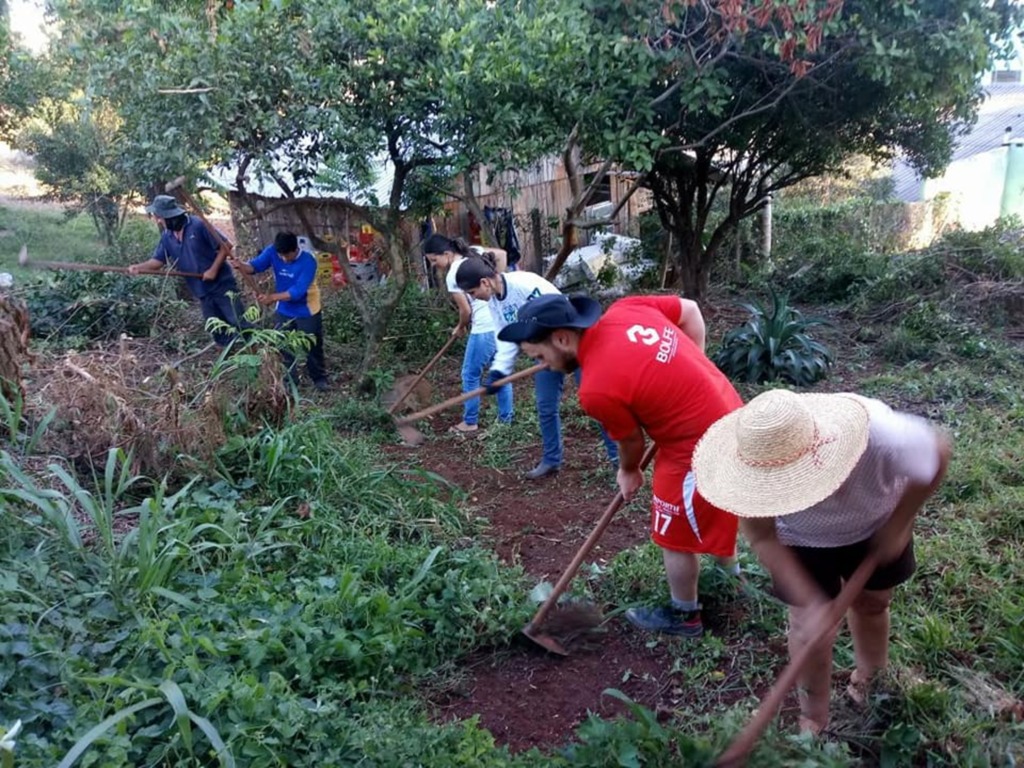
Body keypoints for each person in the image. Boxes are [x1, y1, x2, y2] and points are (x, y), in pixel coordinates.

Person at [692, 388, 951, 733]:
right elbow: (763, 537)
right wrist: (811, 604)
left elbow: (937, 453)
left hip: (875, 523)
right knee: (806, 629)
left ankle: (869, 679)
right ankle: (814, 715)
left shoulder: (880, 437)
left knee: (873, 602)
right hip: (800, 540)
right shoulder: (745, 476)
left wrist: (899, 524)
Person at [498, 292, 742, 637]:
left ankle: (684, 617)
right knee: (718, 505)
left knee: (672, 532)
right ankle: (733, 584)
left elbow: (630, 442)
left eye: (540, 356)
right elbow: (691, 310)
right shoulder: (628, 309)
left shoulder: (596, 387)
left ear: (563, 338)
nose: (542, 365)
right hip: (729, 406)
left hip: (699, 442)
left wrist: (629, 470)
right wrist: (690, 370)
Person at [456, 259, 618, 480]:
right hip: (546, 354)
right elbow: (504, 337)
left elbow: (560, 312)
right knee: (545, 405)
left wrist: (559, 349)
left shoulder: (525, 284)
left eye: (472, 292)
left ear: (485, 282)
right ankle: (552, 460)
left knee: (597, 404)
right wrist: (499, 372)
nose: (473, 297)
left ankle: (619, 461)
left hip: (573, 345)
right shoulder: (494, 303)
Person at [421, 234, 512, 432]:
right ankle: (506, 419)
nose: (435, 265)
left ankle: (470, 422)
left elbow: (466, 311)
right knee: (501, 371)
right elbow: (502, 254)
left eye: (434, 260)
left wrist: (461, 327)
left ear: (446, 254)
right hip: (500, 323)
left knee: (470, 374)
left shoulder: (453, 274)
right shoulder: (476, 252)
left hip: (484, 328)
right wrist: (498, 285)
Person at [130, 194, 246, 347]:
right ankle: (231, 358)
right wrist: (139, 267)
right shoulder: (167, 236)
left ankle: (263, 352)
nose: (158, 221)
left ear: (170, 217)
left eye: (160, 217)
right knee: (216, 327)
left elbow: (226, 246)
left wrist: (212, 270)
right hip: (201, 290)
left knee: (237, 321)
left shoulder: (198, 226)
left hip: (222, 286)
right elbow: (157, 262)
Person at [229, 231, 328, 391]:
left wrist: (272, 297)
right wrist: (242, 266)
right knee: (283, 345)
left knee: (312, 346)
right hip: (284, 309)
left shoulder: (309, 261)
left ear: (295, 250)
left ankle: (319, 378)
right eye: (280, 255)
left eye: (286, 255)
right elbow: (255, 266)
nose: (282, 259)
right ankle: (290, 381)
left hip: (307, 308)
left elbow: (297, 292)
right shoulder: (273, 251)